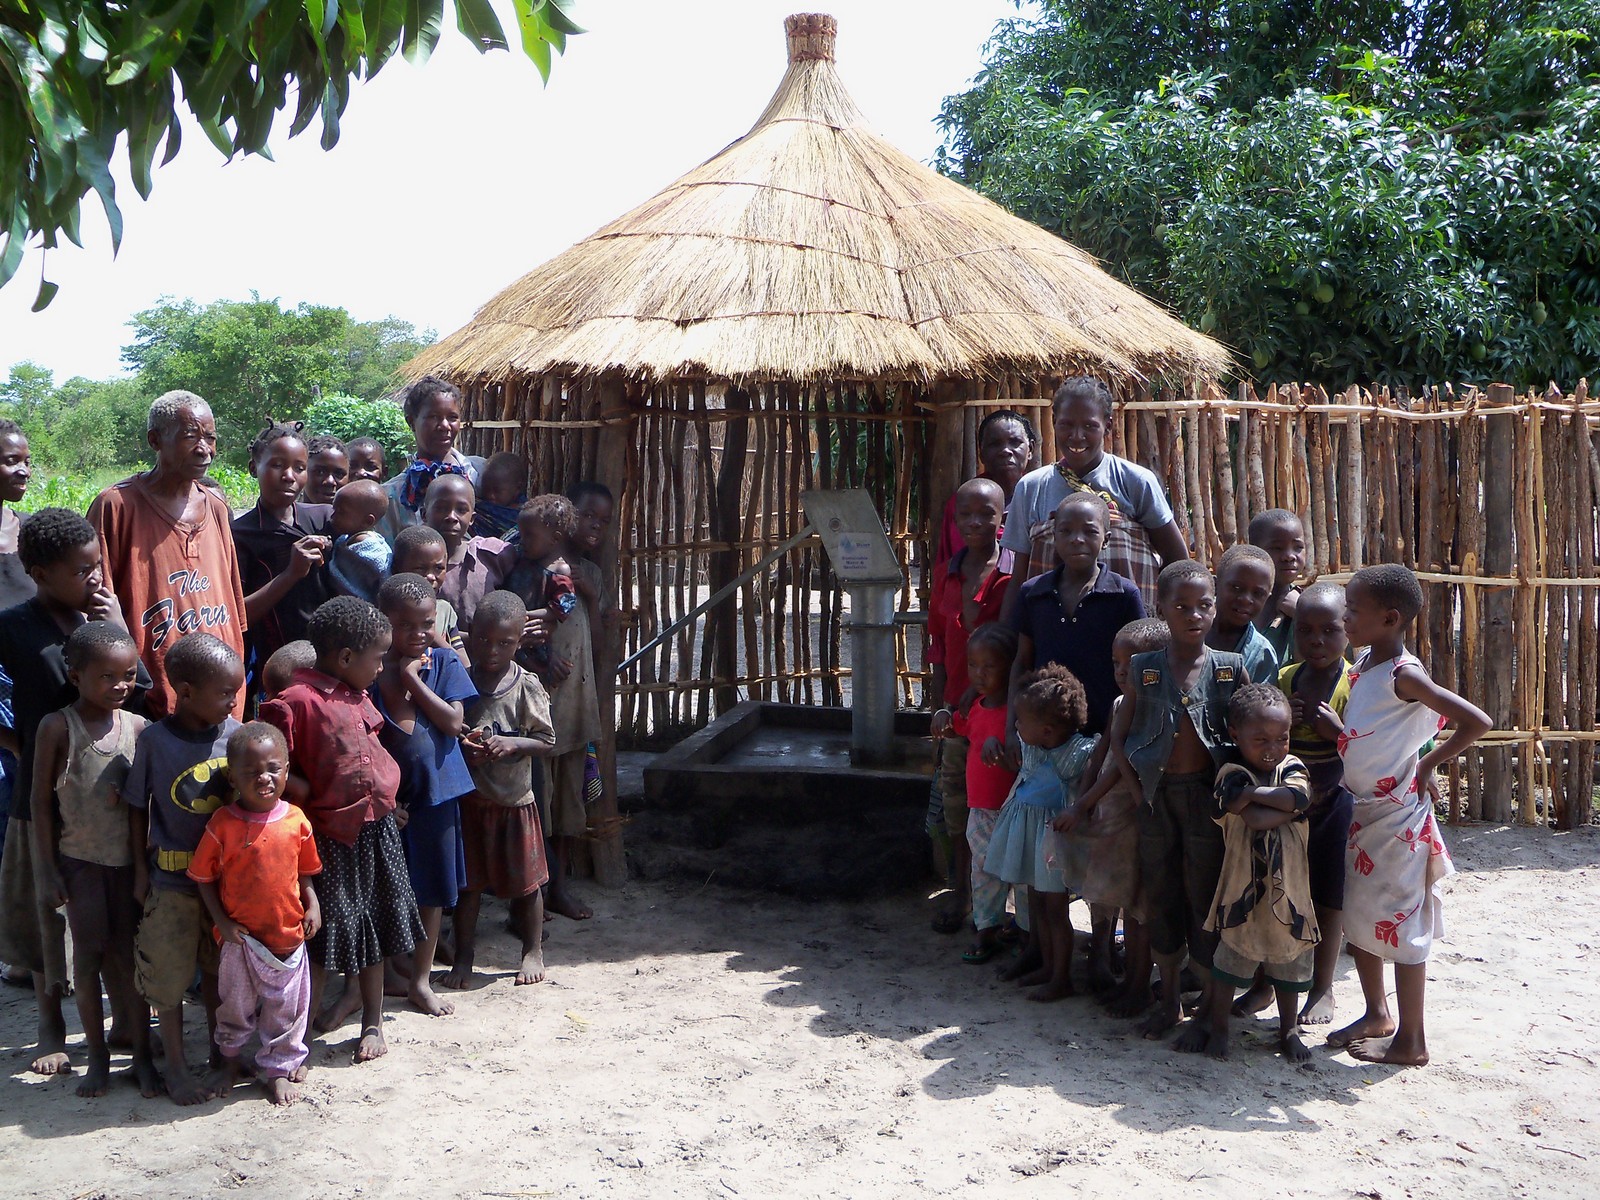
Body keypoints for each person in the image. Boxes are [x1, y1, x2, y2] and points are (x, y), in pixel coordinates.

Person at [1327, 565, 1490, 1067]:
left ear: (1390, 618)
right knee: (1361, 915)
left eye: (1353, 611)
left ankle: (1411, 1040)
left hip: (1397, 820)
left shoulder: (1405, 675)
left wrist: (1426, 763)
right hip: (1363, 811)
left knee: (1403, 925)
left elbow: (1474, 722)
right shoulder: (1365, 663)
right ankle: (1378, 1013)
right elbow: (1379, 727)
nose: (1344, 617)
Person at [0, 508, 143, 1075]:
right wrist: (14, 743)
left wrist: (118, 626)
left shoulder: (101, 624)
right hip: (42, 795)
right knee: (47, 912)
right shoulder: (15, 625)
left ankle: (125, 1023)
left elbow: (142, 691)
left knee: (108, 915)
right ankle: (50, 1025)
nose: (94, 577)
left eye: (96, 565)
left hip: (105, 793)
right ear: (39, 572)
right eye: (81, 570)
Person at [259, 596, 424, 1064]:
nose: (382, 666)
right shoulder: (294, 702)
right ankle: (299, 1029)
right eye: (378, 657)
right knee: (323, 934)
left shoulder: (359, 694)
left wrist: (387, 803)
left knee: (373, 927)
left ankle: (372, 1020)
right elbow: (271, 766)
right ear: (347, 657)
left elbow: (371, 756)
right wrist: (307, 790)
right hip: (329, 837)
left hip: (376, 831)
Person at [1122, 559, 1246, 1041]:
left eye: (1203, 605)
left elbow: (1245, 734)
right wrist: (1137, 792)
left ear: (1214, 610)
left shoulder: (1228, 669)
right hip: (1156, 798)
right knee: (1161, 895)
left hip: (1205, 799)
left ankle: (1209, 1009)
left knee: (1205, 897)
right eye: (1181, 606)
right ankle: (1169, 999)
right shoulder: (1144, 666)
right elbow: (1121, 733)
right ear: (1162, 609)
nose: (1194, 615)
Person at [28, 621, 151, 1097]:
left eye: (127, 676)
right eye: (108, 677)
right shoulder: (59, 727)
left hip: (127, 868)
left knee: (130, 959)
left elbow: (144, 804)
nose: (121, 686)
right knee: (89, 959)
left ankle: (140, 1055)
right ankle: (97, 1057)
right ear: (75, 676)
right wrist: (47, 870)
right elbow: (40, 802)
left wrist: (145, 871)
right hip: (80, 863)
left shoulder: (138, 728)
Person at [125, 632, 244, 1105]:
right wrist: (139, 871)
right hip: (170, 882)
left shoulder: (235, 737)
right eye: (223, 693)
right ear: (186, 691)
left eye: (236, 692)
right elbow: (138, 808)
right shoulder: (154, 742)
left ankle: (221, 1057)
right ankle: (174, 1065)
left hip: (224, 886)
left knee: (219, 976)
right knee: (169, 979)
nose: (232, 702)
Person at [88, 391, 249, 720]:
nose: (204, 448)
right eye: (191, 436)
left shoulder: (216, 508)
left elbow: (232, 609)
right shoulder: (116, 507)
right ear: (155, 440)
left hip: (221, 704)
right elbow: (97, 606)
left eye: (210, 437)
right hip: (153, 700)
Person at [189, 721, 322, 1106]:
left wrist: (312, 905)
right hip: (241, 939)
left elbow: (305, 872)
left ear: (286, 769)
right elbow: (203, 877)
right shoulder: (224, 824)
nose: (263, 778)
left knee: (286, 1008)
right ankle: (229, 1062)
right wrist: (223, 922)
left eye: (273, 769)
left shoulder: (296, 820)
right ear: (233, 777)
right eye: (251, 772)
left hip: (288, 935)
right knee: (234, 1006)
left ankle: (279, 1069)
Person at [371, 573, 477, 1018]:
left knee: (432, 890)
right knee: (388, 890)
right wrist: (382, 800)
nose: (417, 635)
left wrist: (414, 681)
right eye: (405, 626)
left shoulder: (443, 663)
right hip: (391, 806)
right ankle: (393, 972)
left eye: (426, 624)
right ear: (384, 622)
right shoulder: (370, 670)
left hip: (438, 794)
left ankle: (420, 979)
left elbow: (453, 724)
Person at [1195, 684, 1317, 1062]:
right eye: (1260, 739)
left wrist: (1258, 795)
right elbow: (1252, 815)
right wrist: (1282, 804)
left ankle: (1289, 1029)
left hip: (1291, 892)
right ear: (1236, 736)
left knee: (1289, 960)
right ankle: (1218, 1027)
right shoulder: (1230, 772)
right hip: (1242, 892)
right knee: (1230, 960)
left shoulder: (1292, 766)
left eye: (1282, 738)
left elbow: (1297, 797)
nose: (1272, 748)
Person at [1051, 616, 1168, 1002]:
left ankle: (1135, 978)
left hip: (1129, 817)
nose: (1120, 672)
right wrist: (1083, 799)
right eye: (1115, 663)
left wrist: (1085, 801)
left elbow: (1122, 765)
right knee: (1103, 891)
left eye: (1129, 665)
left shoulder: (1154, 708)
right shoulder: (1121, 703)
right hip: (1107, 814)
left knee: (1134, 898)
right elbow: (1102, 751)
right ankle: (1100, 954)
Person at [444, 590, 556, 990]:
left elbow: (546, 741)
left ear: (520, 640)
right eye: (485, 640)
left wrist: (513, 744)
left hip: (514, 803)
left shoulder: (525, 685)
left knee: (527, 886)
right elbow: (449, 733)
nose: (493, 650)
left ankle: (532, 949)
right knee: (468, 888)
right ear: (471, 634)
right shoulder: (460, 683)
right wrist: (465, 747)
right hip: (472, 804)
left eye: (505, 643)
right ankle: (465, 955)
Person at [1001, 377, 1187, 615]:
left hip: (1126, 632)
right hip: (1052, 629)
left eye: (1090, 426)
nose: (1077, 436)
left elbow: (1176, 558)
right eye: (1066, 424)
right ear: (1054, 422)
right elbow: (1020, 575)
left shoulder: (1135, 482)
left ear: (1107, 426)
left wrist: (1158, 618)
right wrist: (1009, 633)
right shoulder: (1032, 487)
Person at [1257, 580, 1354, 1025]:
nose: (1316, 641)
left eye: (1328, 631)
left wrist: (1340, 733)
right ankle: (1265, 982)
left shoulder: (1355, 684)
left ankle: (1322, 986)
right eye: (1305, 631)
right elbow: (1264, 744)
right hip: (1288, 803)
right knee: (1277, 887)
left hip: (1336, 802)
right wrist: (1285, 725)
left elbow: (1372, 747)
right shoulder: (1284, 679)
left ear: (1348, 630)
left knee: (1328, 896)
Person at [926, 478, 1013, 934]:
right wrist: (941, 702)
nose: (977, 522)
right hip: (957, 719)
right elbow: (938, 643)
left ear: (1003, 519)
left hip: (997, 715)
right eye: (967, 515)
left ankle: (1002, 908)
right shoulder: (946, 572)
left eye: (987, 514)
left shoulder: (1016, 574)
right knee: (960, 809)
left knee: (1002, 810)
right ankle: (962, 896)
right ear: (955, 520)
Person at [506, 494, 598, 922]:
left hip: (572, 705)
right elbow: (511, 634)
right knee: (536, 804)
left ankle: (557, 888)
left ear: (557, 536)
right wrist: (539, 657)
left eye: (529, 533)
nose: (521, 539)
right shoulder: (523, 573)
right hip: (536, 708)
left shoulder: (566, 576)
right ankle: (533, 894)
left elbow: (567, 614)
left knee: (565, 807)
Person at [984, 664, 1096, 1002]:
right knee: (1035, 905)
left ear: (1046, 730)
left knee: (1055, 910)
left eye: (1021, 720)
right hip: (1028, 832)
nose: (1016, 725)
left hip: (1051, 840)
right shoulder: (1031, 745)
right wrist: (993, 747)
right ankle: (1047, 966)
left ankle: (1061, 977)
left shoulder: (1078, 753)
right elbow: (1022, 770)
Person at [1009, 491, 1144, 739]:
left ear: (1106, 539)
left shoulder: (1124, 595)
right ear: (1054, 536)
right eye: (1066, 531)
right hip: (1044, 737)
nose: (1077, 539)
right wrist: (1011, 728)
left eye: (1090, 531)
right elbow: (1022, 662)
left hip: (1106, 734)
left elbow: (1139, 667)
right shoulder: (1033, 594)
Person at [931, 623, 1019, 964]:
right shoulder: (978, 707)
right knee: (982, 873)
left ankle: (1024, 932)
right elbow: (958, 725)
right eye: (972, 665)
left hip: (1014, 810)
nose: (978, 674)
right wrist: (942, 717)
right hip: (980, 810)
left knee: (1020, 878)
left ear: (1010, 667)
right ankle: (986, 929)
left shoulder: (1018, 713)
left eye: (989, 666)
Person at [231, 421, 331, 705]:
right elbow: (239, 617)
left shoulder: (323, 519)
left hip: (330, 663)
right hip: (276, 670)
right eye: (277, 465)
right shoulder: (240, 535)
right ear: (254, 469)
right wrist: (291, 574)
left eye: (299, 468)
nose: (289, 476)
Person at [375, 377, 485, 544]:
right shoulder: (393, 497)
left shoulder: (481, 473)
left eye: (452, 417)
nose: (445, 425)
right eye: (433, 417)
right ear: (411, 421)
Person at [931, 409, 1038, 577]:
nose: (1005, 450)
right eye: (995, 444)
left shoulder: (1039, 499)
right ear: (981, 452)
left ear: (1030, 449)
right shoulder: (962, 504)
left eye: (1015, 442)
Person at [0, 418, 32, 895]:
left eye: (27, 461)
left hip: (27, 698)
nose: (23, 471)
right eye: (10, 461)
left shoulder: (29, 532)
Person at [423, 473, 512, 631]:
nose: (451, 517)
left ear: (472, 518)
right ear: (424, 514)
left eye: (461, 510)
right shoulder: (413, 562)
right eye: (441, 508)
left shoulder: (493, 554)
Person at [391, 524, 469, 665]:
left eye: (439, 568)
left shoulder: (444, 611)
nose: (431, 577)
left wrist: (431, 633)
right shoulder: (389, 613)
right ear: (397, 568)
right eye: (420, 568)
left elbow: (464, 664)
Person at [1206, 544, 1280, 683]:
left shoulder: (1262, 654)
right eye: (1236, 587)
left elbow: (1261, 703)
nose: (1246, 599)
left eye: (1258, 593)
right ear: (1215, 585)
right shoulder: (1187, 631)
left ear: (1267, 598)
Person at [1249, 509, 1307, 663]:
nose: (1289, 556)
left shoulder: (1307, 606)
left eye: (1298, 547)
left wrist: (1301, 614)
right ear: (1254, 550)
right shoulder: (1237, 606)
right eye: (1277, 548)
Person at [326, 479, 394, 602]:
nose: (332, 517)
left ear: (367, 521)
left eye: (341, 512)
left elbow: (385, 579)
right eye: (334, 509)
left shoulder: (375, 551)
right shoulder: (345, 539)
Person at [473, 452, 528, 540]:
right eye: (486, 489)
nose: (491, 495)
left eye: (497, 491)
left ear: (518, 488)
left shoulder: (527, 516)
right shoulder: (479, 510)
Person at [302, 434, 350, 506]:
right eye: (320, 472)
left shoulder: (357, 517)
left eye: (339, 474)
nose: (330, 481)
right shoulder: (285, 515)